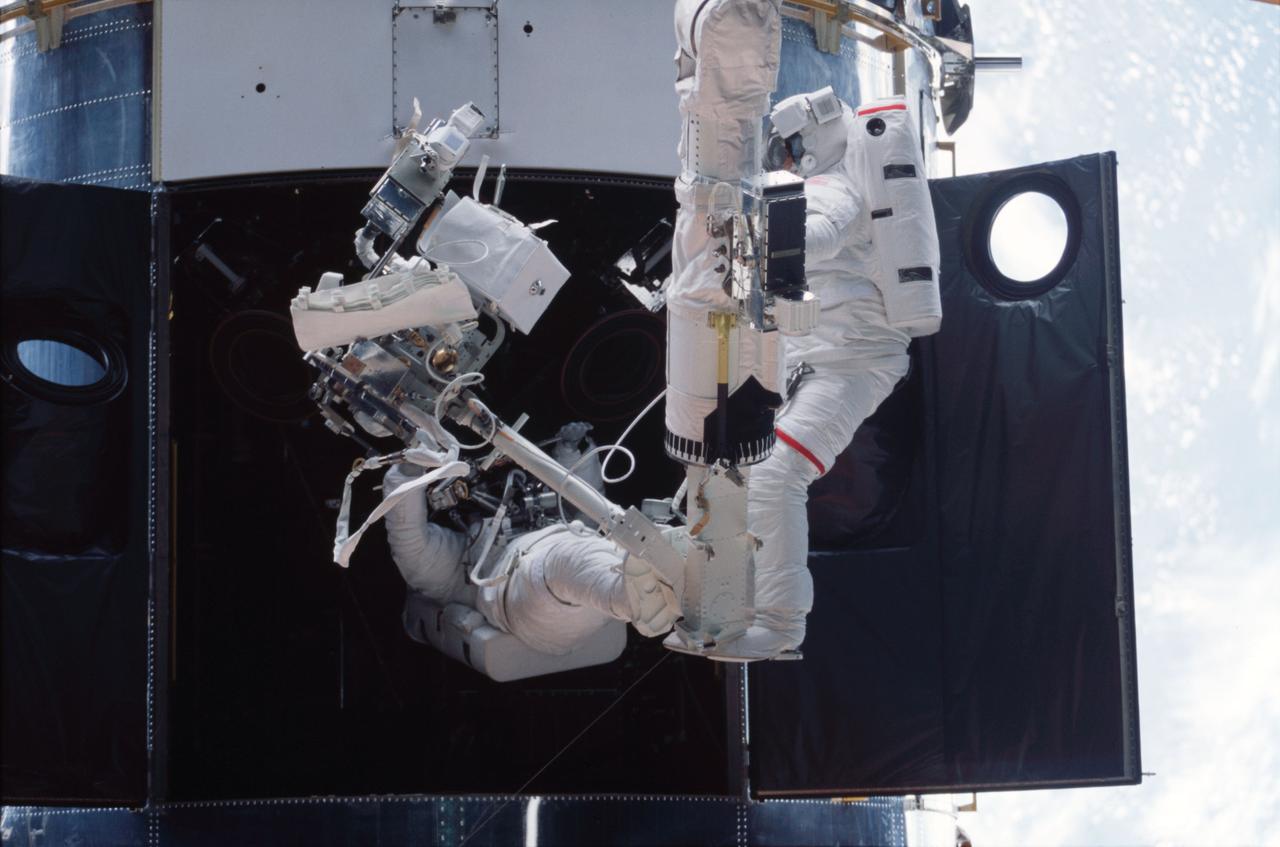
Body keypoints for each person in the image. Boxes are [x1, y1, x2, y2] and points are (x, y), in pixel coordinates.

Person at [718, 87, 942, 660]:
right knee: (736, 471)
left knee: (776, 475)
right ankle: (731, 592)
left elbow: (820, 231)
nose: (788, 162)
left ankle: (782, 624)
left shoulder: (839, 187)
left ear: (813, 134)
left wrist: (754, 242)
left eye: (791, 149)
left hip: (852, 364)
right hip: (820, 356)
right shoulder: (843, 180)